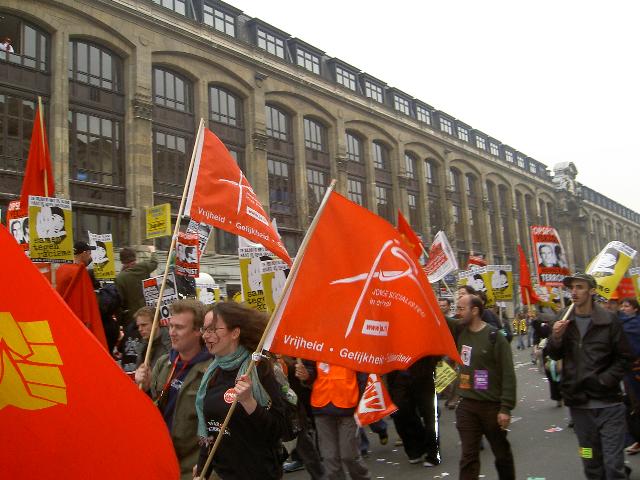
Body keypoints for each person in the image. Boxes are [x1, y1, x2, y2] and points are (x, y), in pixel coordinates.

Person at [546, 273, 633, 479]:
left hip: (609, 405)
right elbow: (554, 354)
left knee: (613, 465)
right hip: (579, 407)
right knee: (590, 461)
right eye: (571, 288)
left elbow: (625, 357)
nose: (574, 292)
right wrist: (556, 337)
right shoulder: (564, 318)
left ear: (592, 291)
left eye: (579, 287)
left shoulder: (609, 320)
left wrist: (605, 380)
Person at [194, 302, 287, 479]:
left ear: (235, 333)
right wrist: (202, 470)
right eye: (204, 329)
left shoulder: (259, 368)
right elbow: (211, 430)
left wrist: (249, 402)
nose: (206, 335)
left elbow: (277, 430)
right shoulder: (212, 373)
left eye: (213, 329)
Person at [135, 298, 212, 480]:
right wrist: (144, 389)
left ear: (198, 331)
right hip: (160, 459)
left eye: (179, 327)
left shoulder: (212, 370)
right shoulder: (164, 362)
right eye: (170, 326)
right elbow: (152, 407)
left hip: (189, 467)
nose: (172, 332)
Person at [454, 294, 516, 480]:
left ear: (474, 311)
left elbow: (508, 373)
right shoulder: (458, 330)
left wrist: (505, 408)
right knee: (468, 456)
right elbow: (437, 318)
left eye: (461, 308)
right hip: (466, 405)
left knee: (501, 453)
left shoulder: (495, 337)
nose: (457, 312)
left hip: (491, 406)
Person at [299, 361, 371, 480]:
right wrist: (307, 375)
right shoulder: (315, 344)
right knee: (329, 459)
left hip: (349, 406)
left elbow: (364, 375)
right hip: (322, 406)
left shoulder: (355, 345)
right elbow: (310, 368)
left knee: (349, 456)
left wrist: (362, 403)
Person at [388, 356, 441, 467]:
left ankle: (432, 452)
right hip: (398, 371)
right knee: (399, 411)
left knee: (429, 414)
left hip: (423, 371)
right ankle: (415, 448)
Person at [55, 241, 108, 350]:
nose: (90, 256)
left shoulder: (61, 269)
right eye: (89, 253)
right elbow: (85, 301)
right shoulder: (80, 272)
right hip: (77, 320)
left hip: (64, 319)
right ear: (83, 253)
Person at [116, 245, 158, 373]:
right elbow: (154, 263)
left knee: (133, 347)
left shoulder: (120, 278)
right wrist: (153, 251)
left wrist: (120, 322)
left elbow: (120, 303)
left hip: (131, 321)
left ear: (122, 261)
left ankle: (133, 370)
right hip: (148, 315)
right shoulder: (143, 267)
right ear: (134, 258)